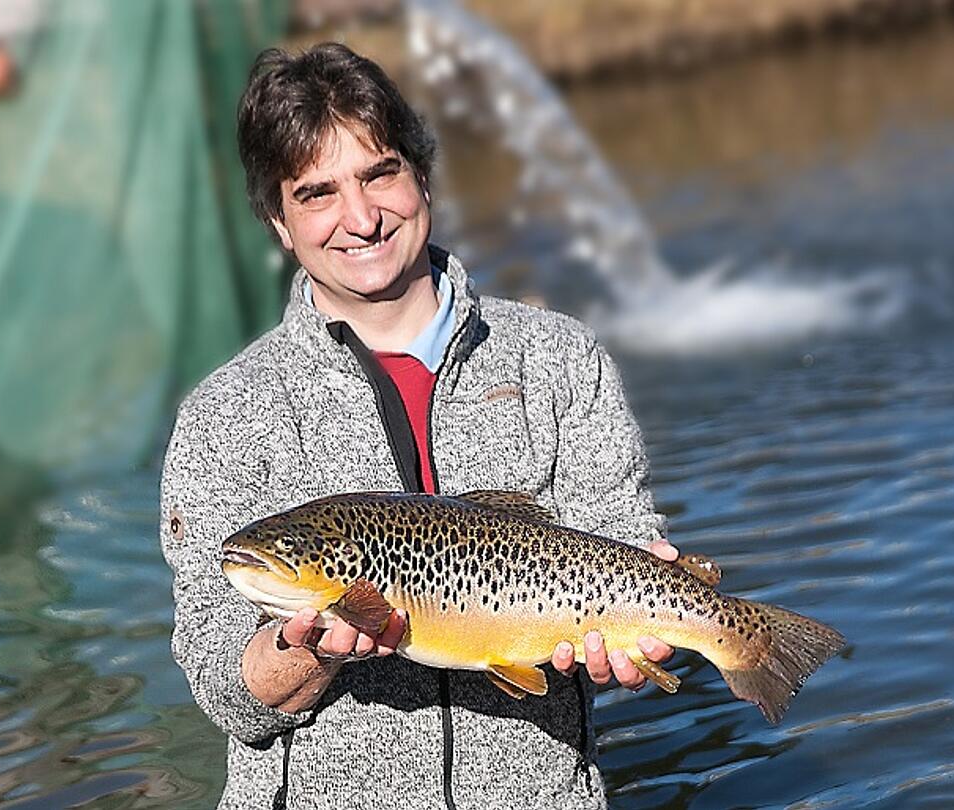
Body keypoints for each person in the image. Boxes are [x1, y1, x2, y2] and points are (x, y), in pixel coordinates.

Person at [160, 42, 681, 810]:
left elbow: (617, 528)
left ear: (421, 175)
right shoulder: (223, 415)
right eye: (317, 194)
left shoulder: (561, 358)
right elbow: (216, 679)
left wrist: (637, 625)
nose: (361, 219)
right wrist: (300, 654)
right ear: (277, 221)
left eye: (380, 174)